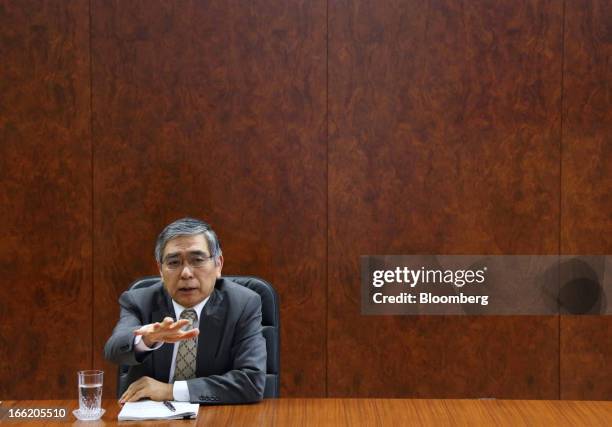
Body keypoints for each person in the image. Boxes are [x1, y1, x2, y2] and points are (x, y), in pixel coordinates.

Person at [104, 217, 266, 404]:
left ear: (218, 264)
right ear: (160, 270)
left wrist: (171, 391)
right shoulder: (139, 301)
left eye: (197, 260)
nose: (186, 273)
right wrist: (146, 339)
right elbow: (114, 350)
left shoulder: (243, 304)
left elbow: (251, 383)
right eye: (174, 263)